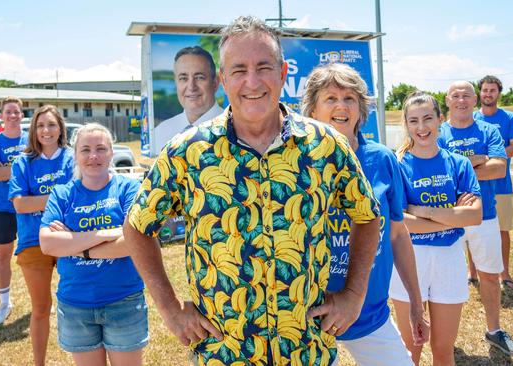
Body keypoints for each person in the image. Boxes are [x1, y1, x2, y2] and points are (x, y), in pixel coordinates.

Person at [124, 16, 381, 365]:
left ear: (283, 72)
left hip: (307, 353)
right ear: (222, 79)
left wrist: (353, 294)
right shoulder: (187, 152)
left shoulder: (326, 146)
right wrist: (170, 309)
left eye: (263, 67)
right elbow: (137, 226)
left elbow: (367, 217)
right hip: (225, 355)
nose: (252, 81)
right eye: (239, 70)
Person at [301, 63, 428, 366]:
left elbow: (397, 234)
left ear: (360, 109)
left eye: (350, 98)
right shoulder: (296, 164)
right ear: (313, 110)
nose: (341, 106)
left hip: (370, 314)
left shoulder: (382, 159)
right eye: (330, 98)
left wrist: (414, 301)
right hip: (307, 320)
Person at [39, 123, 148, 366]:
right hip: (76, 304)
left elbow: (136, 241)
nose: (93, 156)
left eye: (101, 149)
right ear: (75, 155)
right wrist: (106, 233)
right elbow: (47, 243)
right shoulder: (62, 194)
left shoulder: (128, 188)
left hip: (124, 300)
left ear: (111, 152)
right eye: (85, 150)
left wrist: (74, 243)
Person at [390, 91, 483, 365]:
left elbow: (474, 216)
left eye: (428, 118)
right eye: (414, 120)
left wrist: (424, 211)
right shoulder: (397, 165)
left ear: (440, 119)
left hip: (449, 259)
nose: (422, 127)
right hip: (409, 259)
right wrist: (452, 214)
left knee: (443, 348)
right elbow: (400, 223)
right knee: (410, 348)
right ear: (406, 124)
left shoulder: (459, 163)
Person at [438, 81, 513, 356]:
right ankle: (444, 338)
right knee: (444, 279)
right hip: (448, 217)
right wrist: (476, 160)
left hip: (484, 215)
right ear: (448, 100)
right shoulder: (438, 133)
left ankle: (495, 330)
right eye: (456, 95)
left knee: (488, 275)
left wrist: (458, 167)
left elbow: (498, 169)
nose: (461, 100)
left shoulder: (488, 130)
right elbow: (437, 174)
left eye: (466, 95)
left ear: (475, 100)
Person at [9, 105, 74, 366]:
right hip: (33, 241)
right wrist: (58, 198)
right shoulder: (22, 163)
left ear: (61, 128)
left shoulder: (72, 158)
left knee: (76, 304)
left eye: (51, 125)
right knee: (40, 308)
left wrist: (40, 201)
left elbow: (79, 197)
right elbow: (20, 205)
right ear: (34, 131)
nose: (46, 131)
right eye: (40, 125)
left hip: (70, 239)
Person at [472, 75, 513, 290]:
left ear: (498, 93)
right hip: (477, 185)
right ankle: (472, 272)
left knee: (502, 230)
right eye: (485, 90)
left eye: (492, 90)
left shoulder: (510, 118)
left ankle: (505, 273)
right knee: (473, 227)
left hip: (502, 185)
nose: (488, 94)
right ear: (479, 93)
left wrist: (487, 155)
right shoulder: (471, 118)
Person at [0, 96, 28, 325]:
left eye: (16, 112)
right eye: (8, 112)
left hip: (30, 206)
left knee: (41, 255)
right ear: (1, 116)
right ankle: (4, 303)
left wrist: (6, 166)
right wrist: (21, 166)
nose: (12, 115)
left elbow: (38, 167)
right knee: (3, 257)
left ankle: (43, 300)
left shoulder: (32, 140)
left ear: (21, 115)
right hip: (3, 207)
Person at [152, 46, 223, 155]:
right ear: (176, 83)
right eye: (183, 78)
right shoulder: (160, 133)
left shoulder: (237, 129)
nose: (191, 86)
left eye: (199, 77)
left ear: (215, 83)